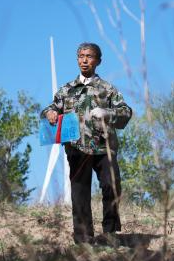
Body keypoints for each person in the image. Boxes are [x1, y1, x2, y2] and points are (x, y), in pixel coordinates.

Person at [42, 43, 132, 244]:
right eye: (81, 56)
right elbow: (49, 109)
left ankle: (110, 233)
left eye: (89, 56)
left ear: (98, 61)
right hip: (76, 148)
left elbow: (126, 112)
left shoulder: (107, 89)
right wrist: (50, 113)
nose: (84, 60)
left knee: (111, 185)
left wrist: (108, 112)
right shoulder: (66, 90)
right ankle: (83, 238)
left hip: (104, 147)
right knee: (79, 192)